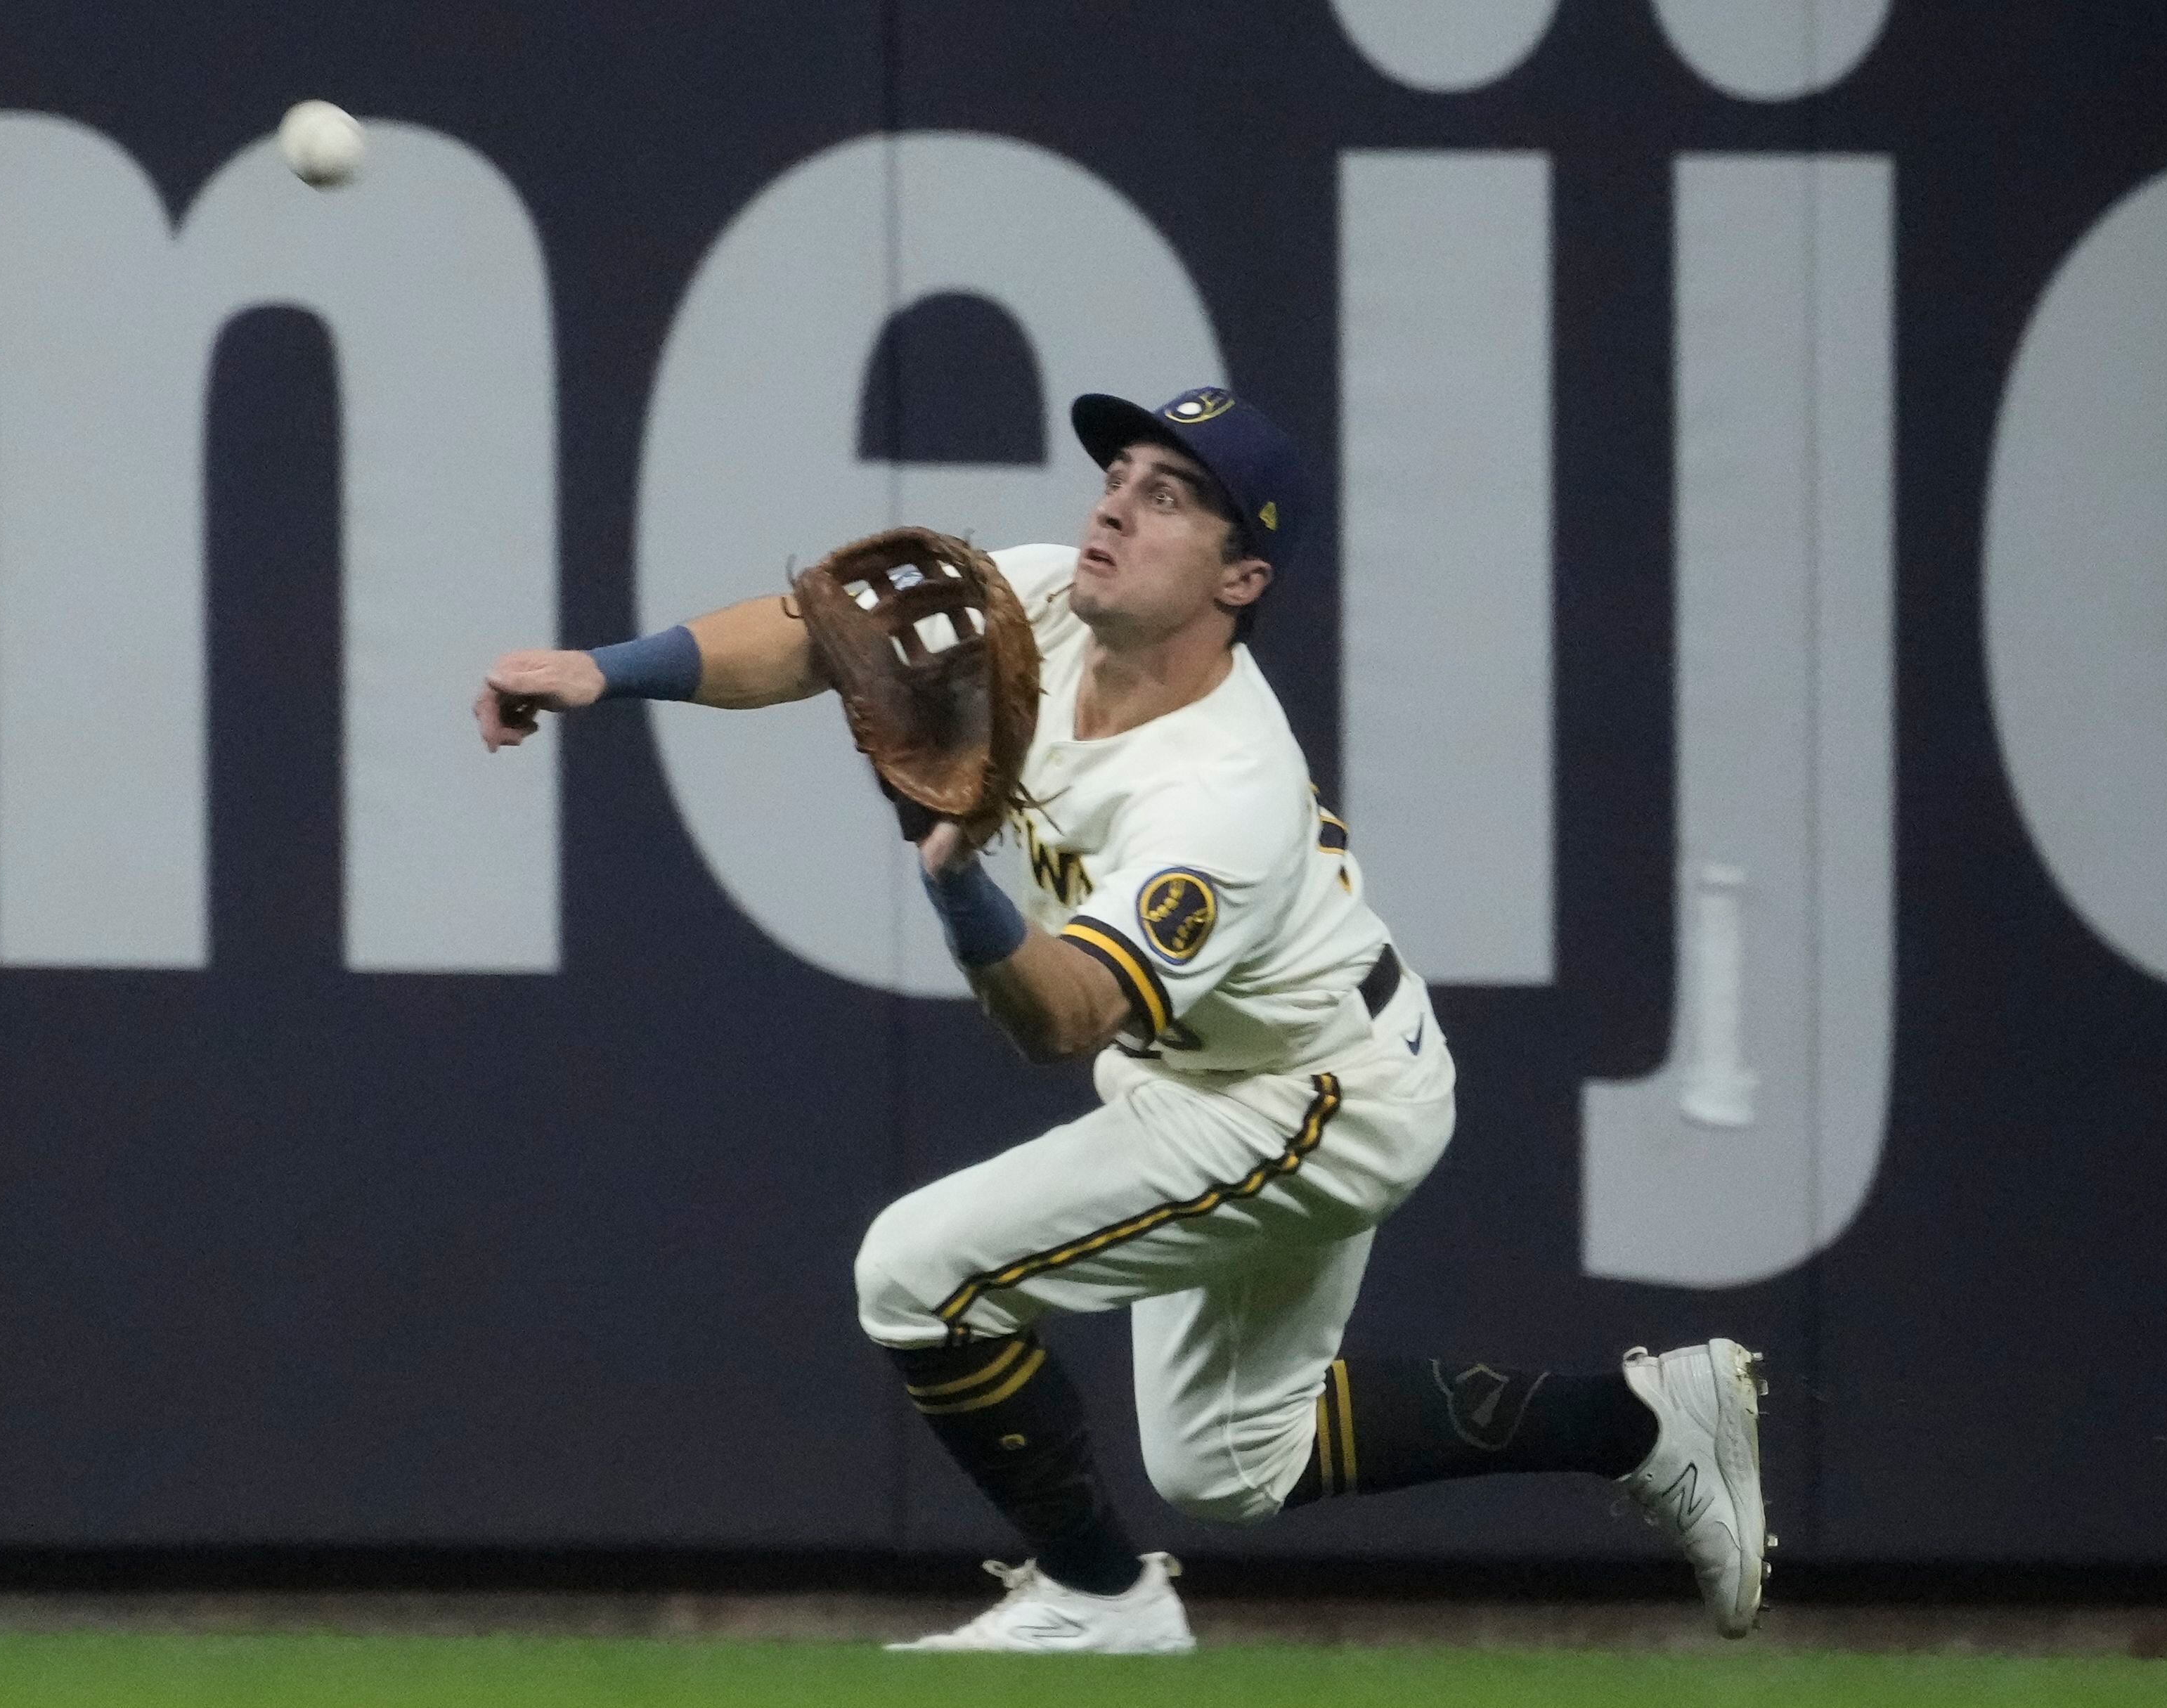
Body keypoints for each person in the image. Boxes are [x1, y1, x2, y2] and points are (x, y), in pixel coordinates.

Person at [474, 387, 1768, 1652]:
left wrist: (961, 889)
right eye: (1117, 476)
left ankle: (1096, 1591)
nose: (1113, 509)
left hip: (1310, 1095)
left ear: (1239, 579)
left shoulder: (1219, 792)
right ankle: (1648, 1420)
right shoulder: (1038, 597)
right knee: (1226, 1466)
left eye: (1168, 497)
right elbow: (824, 632)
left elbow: (1066, 1017)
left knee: (916, 1272)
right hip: (1239, 1059)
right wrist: (605, 671)